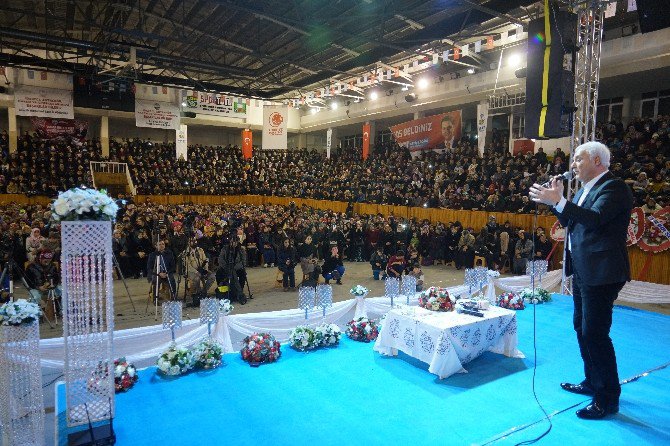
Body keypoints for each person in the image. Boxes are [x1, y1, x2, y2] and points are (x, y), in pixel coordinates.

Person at [529, 141, 633, 420]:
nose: (572, 165)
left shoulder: (614, 187)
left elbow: (596, 219)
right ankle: (592, 382)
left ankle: (607, 399)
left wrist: (559, 201)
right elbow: (571, 223)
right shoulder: (587, 190)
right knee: (581, 327)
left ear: (597, 161)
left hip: (603, 272)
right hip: (585, 270)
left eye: (578, 159)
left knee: (595, 334)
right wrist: (557, 201)